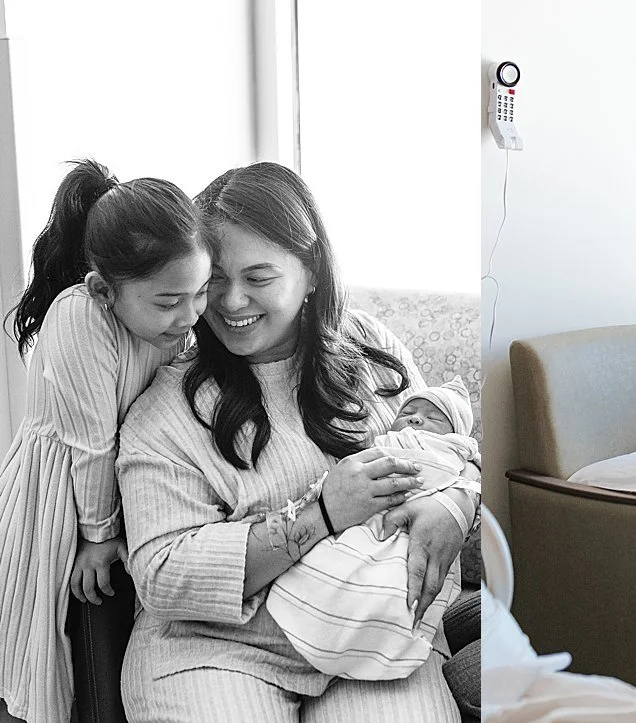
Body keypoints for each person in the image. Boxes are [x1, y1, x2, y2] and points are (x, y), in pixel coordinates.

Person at [116, 162, 476, 721]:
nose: (232, 302)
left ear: (310, 272)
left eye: (258, 278)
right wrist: (320, 514)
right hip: (216, 650)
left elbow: (440, 446)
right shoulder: (165, 410)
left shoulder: (366, 345)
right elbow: (163, 574)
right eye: (215, 281)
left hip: (373, 640)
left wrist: (452, 504)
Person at [0, 160, 210, 723]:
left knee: (98, 648)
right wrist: (96, 534)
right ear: (104, 289)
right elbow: (91, 445)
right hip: (62, 497)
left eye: (200, 292)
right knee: (56, 640)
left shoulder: (166, 324)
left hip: (116, 496)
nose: (190, 315)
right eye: (169, 301)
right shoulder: (80, 316)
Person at [267, 378, 482, 680]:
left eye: (434, 417)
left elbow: (471, 466)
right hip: (364, 521)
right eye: (409, 412)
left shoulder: (453, 450)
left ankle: (375, 639)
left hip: (411, 529)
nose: (416, 419)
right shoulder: (384, 439)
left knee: (398, 585)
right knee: (336, 568)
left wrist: (461, 493)